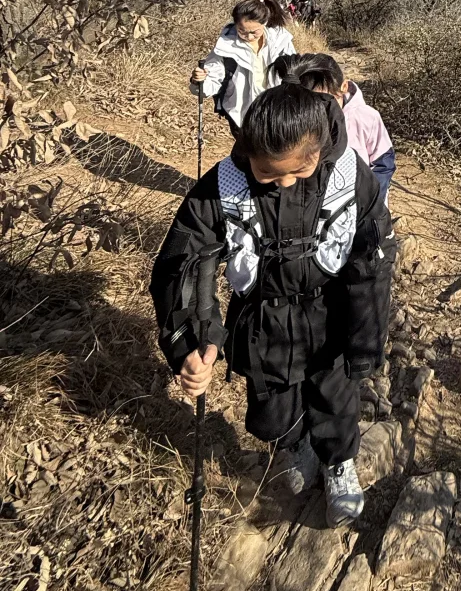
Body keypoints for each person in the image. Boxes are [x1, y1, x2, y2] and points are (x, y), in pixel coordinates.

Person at [150, 82, 394, 526]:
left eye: (295, 174)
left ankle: (338, 462)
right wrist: (191, 341)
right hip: (263, 319)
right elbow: (182, 265)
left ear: (318, 152)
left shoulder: (349, 175)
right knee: (273, 407)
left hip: (332, 310)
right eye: (266, 175)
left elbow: (372, 258)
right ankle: (293, 443)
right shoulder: (222, 185)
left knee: (336, 395)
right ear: (247, 151)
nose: (280, 183)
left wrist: (367, 338)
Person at [274, 53, 396, 203]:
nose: (321, 110)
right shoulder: (297, 119)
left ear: (344, 87)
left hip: (361, 203)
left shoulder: (367, 117)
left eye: (326, 101)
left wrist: (369, 199)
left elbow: (383, 164)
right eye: (312, 103)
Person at [190, 0, 296, 133]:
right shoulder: (225, 47)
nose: (249, 37)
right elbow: (212, 81)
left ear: (264, 23)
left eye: (254, 32)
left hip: (277, 111)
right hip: (241, 115)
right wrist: (199, 81)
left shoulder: (281, 41)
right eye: (242, 31)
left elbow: (294, 70)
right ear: (235, 24)